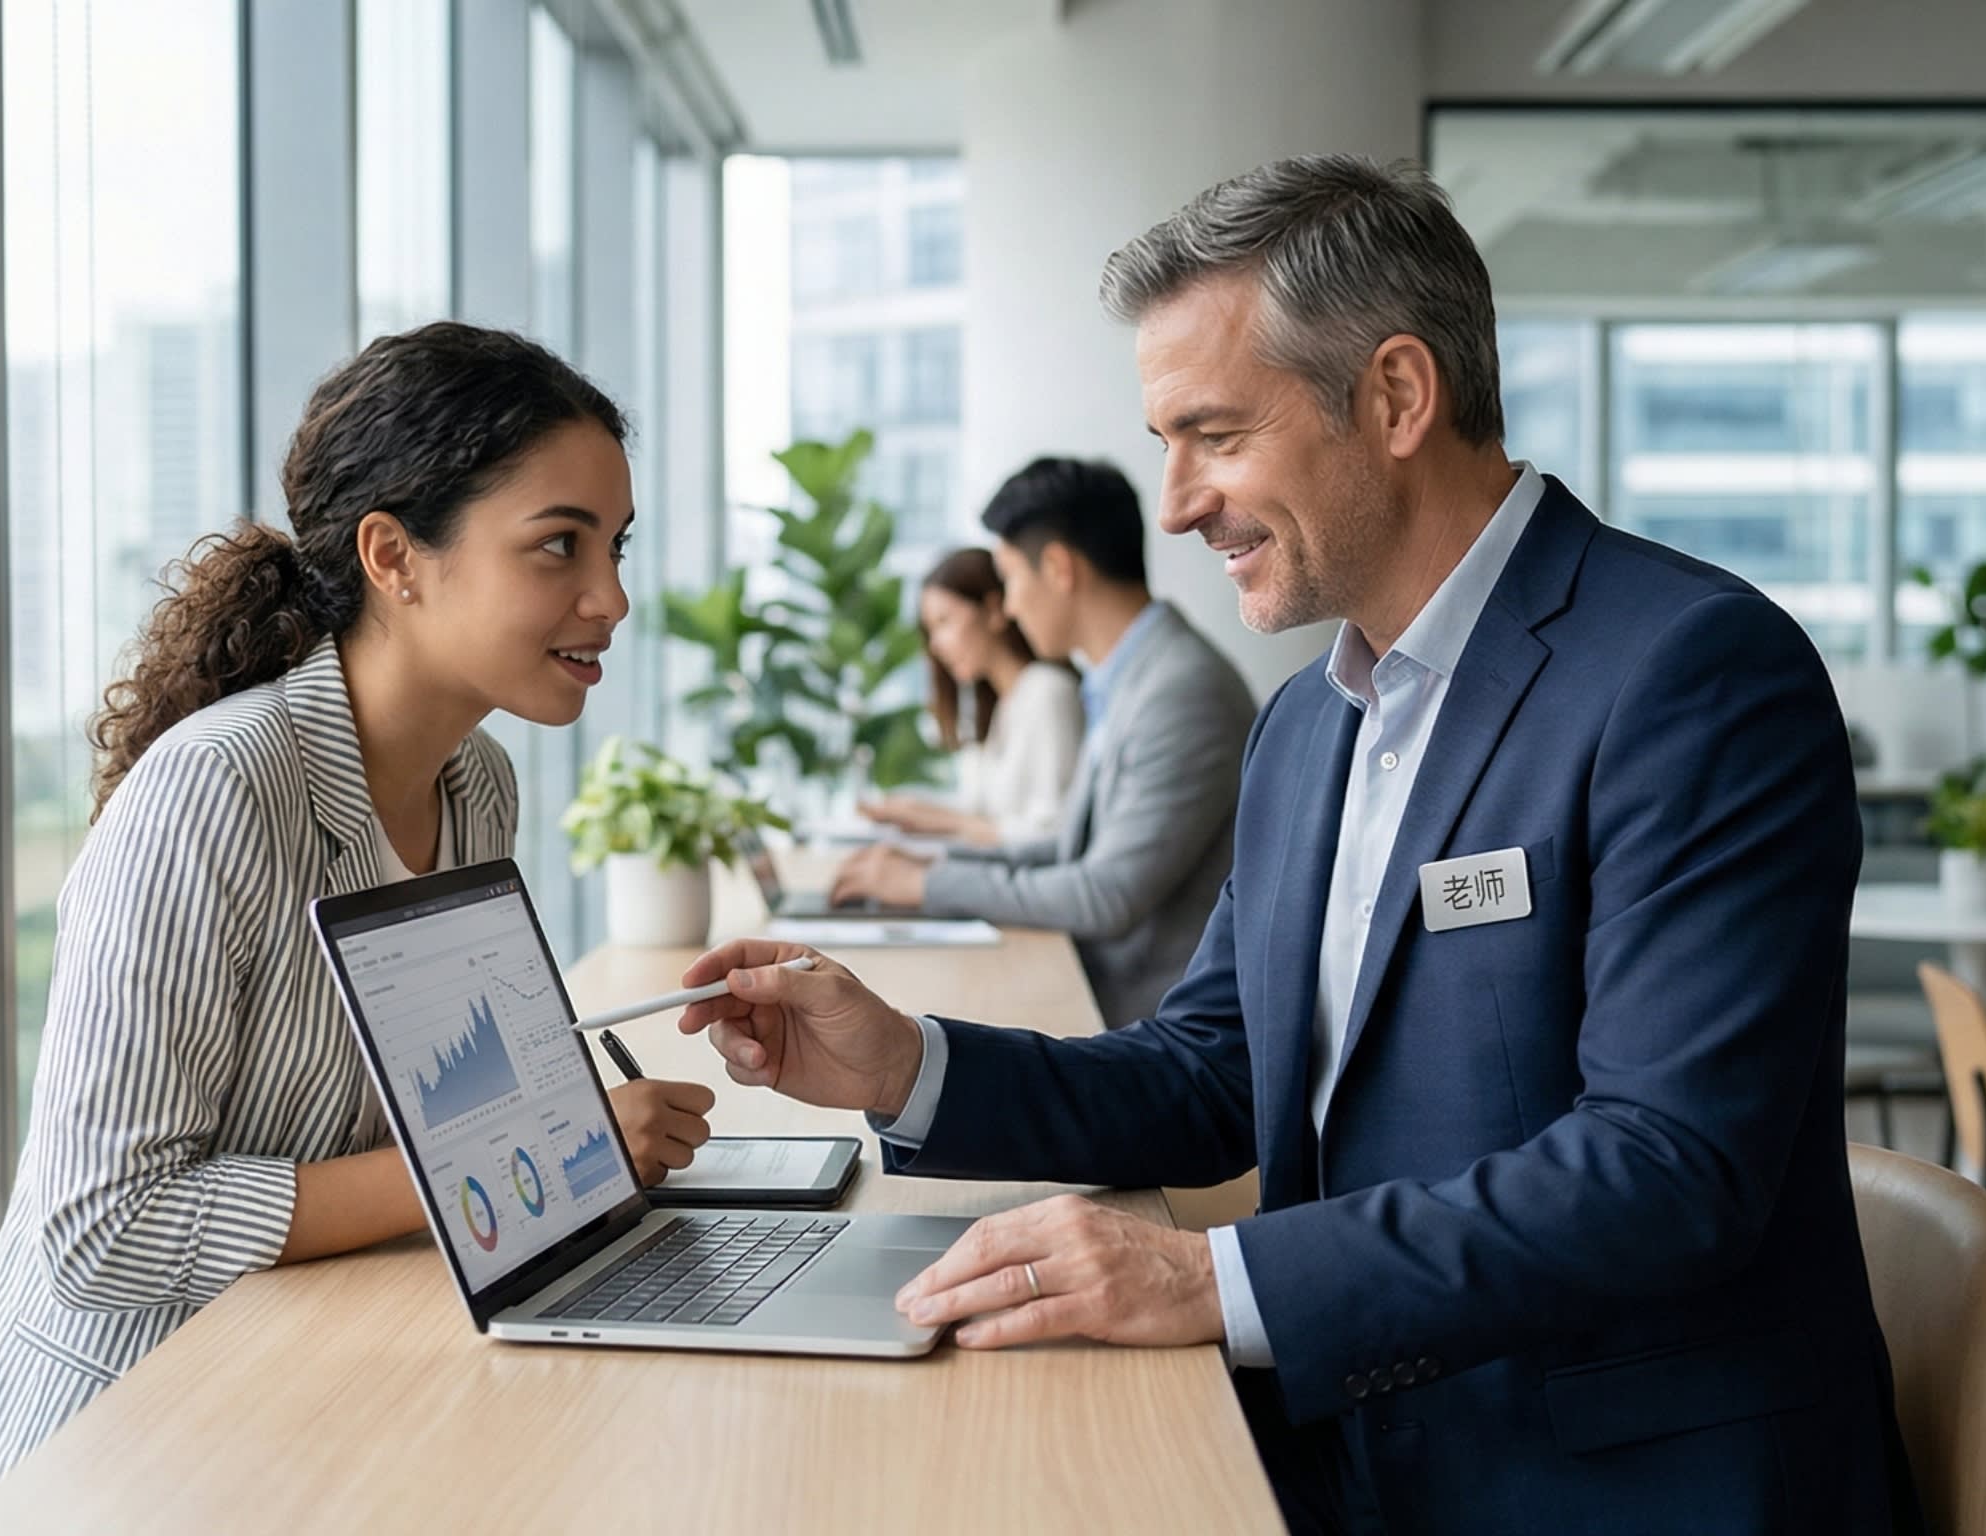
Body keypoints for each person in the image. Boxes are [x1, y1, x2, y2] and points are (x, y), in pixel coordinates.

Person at [680, 157, 1917, 1535]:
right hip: (1346, 1450)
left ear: (1393, 396)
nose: (1171, 504)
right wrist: (908, 1065)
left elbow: (1664, 1169)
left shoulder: (1689, 673)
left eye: (1212, 434)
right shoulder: (1304, 729)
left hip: (1609, 1485)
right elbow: (1216, 1069)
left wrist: (1210, 1280)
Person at [0, 323, 718, 1535]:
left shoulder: (477, 783)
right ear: (395, 556)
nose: (613, 598)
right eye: (560, 547)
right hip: (102, 1452)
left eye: (615, 547)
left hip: (290, 1422)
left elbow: (432, 1105)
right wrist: (519, 1163)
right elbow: (101, 1231)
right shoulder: (217, 791)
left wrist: (559, 1139)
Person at [831, 458, 1254, 1027]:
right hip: (1104, 993)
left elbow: (1104, 895)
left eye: (1009, 580)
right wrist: (930, 864)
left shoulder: (1181, 692)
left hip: (1152, 1022)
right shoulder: (1127, 681)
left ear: (1057, 568)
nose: (1006, 606)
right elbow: (1067, 849)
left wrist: (928, 882)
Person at [860, 546, 1084, 847]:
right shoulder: (1002, 707)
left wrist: (945, 822)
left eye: (944, 622)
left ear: (993, 610)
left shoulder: (1047, 691)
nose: (936, 646)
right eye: (930, 631)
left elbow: (1053, 834)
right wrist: (918, 812)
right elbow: (989, 818)